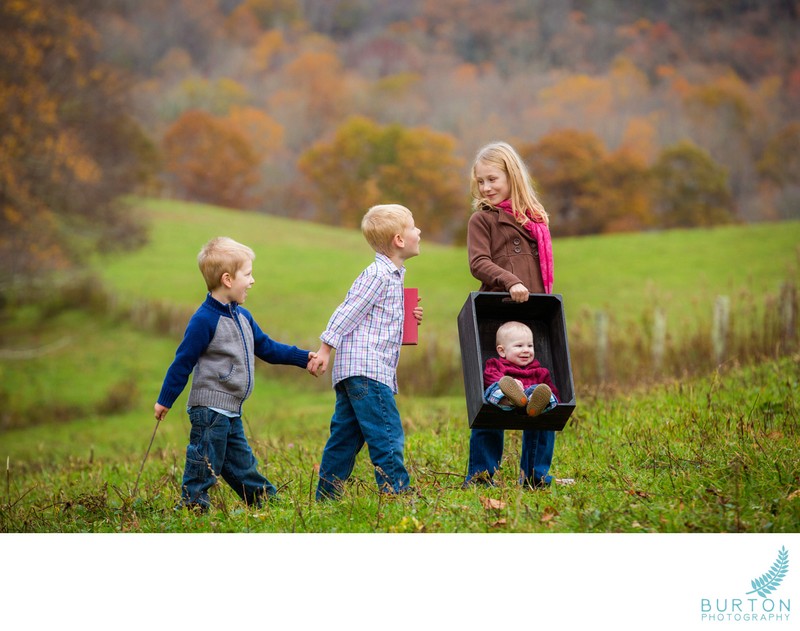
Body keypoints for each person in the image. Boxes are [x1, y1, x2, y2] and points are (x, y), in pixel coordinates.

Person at [154, 236, 317, 511]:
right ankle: (193, 507)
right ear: (228, 279)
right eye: (248, 274)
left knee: (241, 464)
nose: (252, 281)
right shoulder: (204, 320)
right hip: (209, 409)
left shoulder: (243, 316)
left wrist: (303, 358)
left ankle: (265, 501)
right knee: (204, 462)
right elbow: (182, 362)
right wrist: (164, 400)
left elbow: (266, 347)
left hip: (231, 409)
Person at [464, 140, 573, 489]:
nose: (486, 187)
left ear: (512, 176)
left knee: (543, 393)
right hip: (496, 319)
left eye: (492, 179)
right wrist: (510, 282)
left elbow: (541, 273)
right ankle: (481, 475)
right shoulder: (483, 220)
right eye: (480, 182)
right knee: (491, 397)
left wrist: (544, 307)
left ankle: (536, 476)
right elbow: (478, 263)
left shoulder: (535, 222)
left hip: (533, 322)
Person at [309, 204, 423, 500]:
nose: (419, 231)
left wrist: (409, 317)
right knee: (387, 433)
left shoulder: (391, 276)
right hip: (367, 371)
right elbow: (348, 311)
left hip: (357, 371)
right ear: (399, 240)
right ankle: (396, 493)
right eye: (413, 227)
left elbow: (376, 316)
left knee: (345, 437)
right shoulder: (378, 275)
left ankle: (326, 497)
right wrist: (325, 348)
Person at [484, 321, 559, 416]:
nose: (526, 350)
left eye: (530, 346)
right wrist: (509, 383)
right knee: (496, 387)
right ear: (502, 351)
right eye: (519, 346)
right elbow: (489, 377)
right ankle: (510, 400)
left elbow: (552, 390)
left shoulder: (540, 372)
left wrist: (558, 406)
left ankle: (535, 405)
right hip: (505, 401)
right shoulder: (496, 365)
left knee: (543, 391)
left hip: (529, 401)